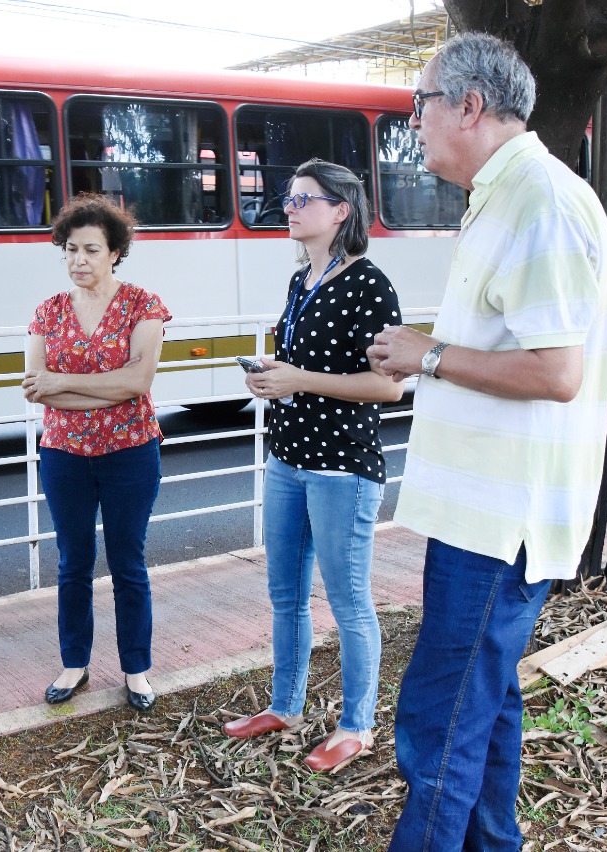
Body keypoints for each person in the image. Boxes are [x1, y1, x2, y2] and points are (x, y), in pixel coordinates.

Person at [365, 34, 607, 850]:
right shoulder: (503, 196)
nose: (416, 124)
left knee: (440, 723)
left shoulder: (539, 199)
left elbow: (555, 372)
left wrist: (427, 355)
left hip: (499, 522)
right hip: (479, 512)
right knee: (486, 703)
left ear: (468, 106)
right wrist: (426, 351)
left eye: (420, 105)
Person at [220, 159, 403, 773]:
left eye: (304, 200)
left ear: (341, 210)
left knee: (349, 601)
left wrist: (299, 377)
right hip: (289, 456)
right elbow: (300, 370)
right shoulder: (302, 281)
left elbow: (388, 389)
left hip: (341, 468)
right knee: (285, 594)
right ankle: (285, 706)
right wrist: (275, 381)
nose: (290, 208)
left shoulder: (370, 286)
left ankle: (357, 726)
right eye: (289, 199)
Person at [22, 193, 171, 713]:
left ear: (114, 252)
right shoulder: (48, 311)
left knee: (129, 563)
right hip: (64, 454)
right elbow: (35, 390)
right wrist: (105, 388)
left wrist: (65, 383)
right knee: (73, 562)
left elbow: (140, 379)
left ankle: (137, 669)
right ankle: (74, 664)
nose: (78, 260)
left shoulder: (142, 305)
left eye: (89, 249)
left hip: (130, 451)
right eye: (70, 250)